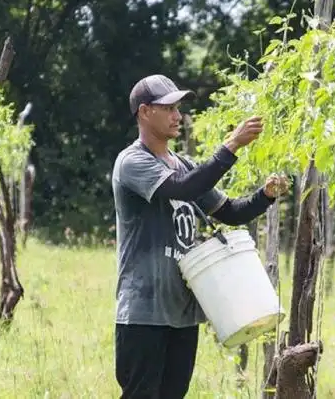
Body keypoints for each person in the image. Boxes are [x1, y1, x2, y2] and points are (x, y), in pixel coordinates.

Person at [112, 74, 289, 398]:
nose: (178, 116)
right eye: (168, 108)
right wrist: (231, 145)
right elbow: (183, 188)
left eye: (178, 108)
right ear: (144, 112)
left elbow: (231, 212)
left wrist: (265, 195)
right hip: (144, 313)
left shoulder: (182, 164)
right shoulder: (132, 162)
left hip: (182, 314)